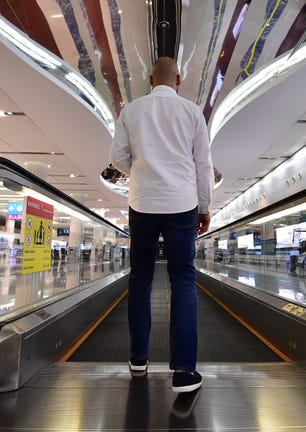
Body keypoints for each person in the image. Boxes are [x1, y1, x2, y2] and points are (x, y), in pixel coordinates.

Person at [110, 56, 214, 393]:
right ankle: (183, 372)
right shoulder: (192, 112)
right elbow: (203, 165)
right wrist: (204, 206)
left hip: (142, 203)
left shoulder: (131, 111)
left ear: (150, 79)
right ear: (178, 80)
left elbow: (118, 158)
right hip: (183, 203)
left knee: (140, 279)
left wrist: (140, 171)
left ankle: (138, 359)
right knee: (182, 280)